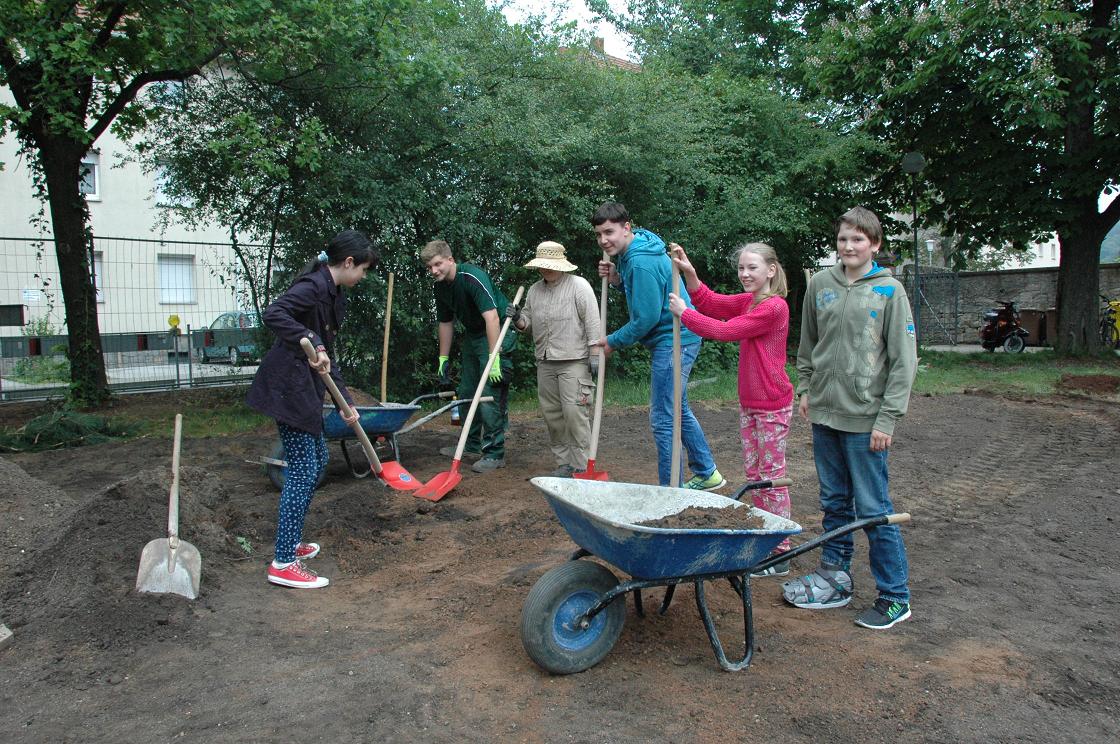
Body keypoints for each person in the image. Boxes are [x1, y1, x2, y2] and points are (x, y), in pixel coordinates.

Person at [784, 206, 917, 629]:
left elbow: (904, 362)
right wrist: (806, 388)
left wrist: (887, 419)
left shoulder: (890, 291)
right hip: (825, 414)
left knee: (873, 508)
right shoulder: (820, 284)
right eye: (843, 238)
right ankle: (834, 579)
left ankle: (895, 596)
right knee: (834, 502)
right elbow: (808, 344)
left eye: (858, 239)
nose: (848, 246)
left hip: (866, 420)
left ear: (874, 244)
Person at [247, 229, 376, 589]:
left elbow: (327, 355)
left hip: (306, 388)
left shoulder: (332, 293)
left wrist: (345, 401)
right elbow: (274, 313)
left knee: (317, 461)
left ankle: (291, 543)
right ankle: (283, 562)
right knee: (304, 470)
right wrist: (312, 340)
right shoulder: (313, 286)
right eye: (363, 269)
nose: (363, 276)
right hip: (288, 389)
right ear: (348, 263)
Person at [667, 241, 795, 576]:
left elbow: (724, 330)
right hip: (750, 404)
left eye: (752, 268)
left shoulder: (774, 307)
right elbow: (711, 302)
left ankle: (780, 549)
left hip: (772, 405)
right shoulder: (749, 301)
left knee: (771, 477)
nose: (745, 274)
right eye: (741, 268)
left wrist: (684, 313)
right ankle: (764, 537)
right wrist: (690, 273)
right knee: (755, 475)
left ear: (771, 270)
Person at [591, 201, 724, 490]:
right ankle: (707, 472)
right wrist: (616, 279)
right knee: (677, 408)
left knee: (663, 418)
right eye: (599, 234)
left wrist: (612, 341)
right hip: (680, 335)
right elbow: (647, 293)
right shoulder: (634, 252)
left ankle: (670, 490)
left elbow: (645, 319)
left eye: (609, 232)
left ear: (626, 228)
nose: (603, 240)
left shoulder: (641, 261)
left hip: (675, 339)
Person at [507, 241, 601, 478]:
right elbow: (527, 324)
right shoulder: (534, 291)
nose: (546, 268)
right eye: (543, 264)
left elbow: (592, 322)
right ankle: (564, 463)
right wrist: (517, 318)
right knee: (552, 415)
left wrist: (595, 355)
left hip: (574, 361)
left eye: (550, 264)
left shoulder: (579, 286)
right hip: (545, 361)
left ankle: (581, 465)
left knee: (574, 414)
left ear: (561, 264)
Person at [421, 239, 515, 473]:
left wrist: (494, 357)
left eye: (438, 264)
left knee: (488, 391)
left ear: (450, 260)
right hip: (473, 336)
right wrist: (443, 359)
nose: (434, 271)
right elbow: (445, 323)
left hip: (497, 331)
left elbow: (492, 317)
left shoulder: (472, 277)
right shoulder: (440, 287)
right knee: (467, 391)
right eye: (430, 267)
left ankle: (494, 453)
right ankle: (471, 444)